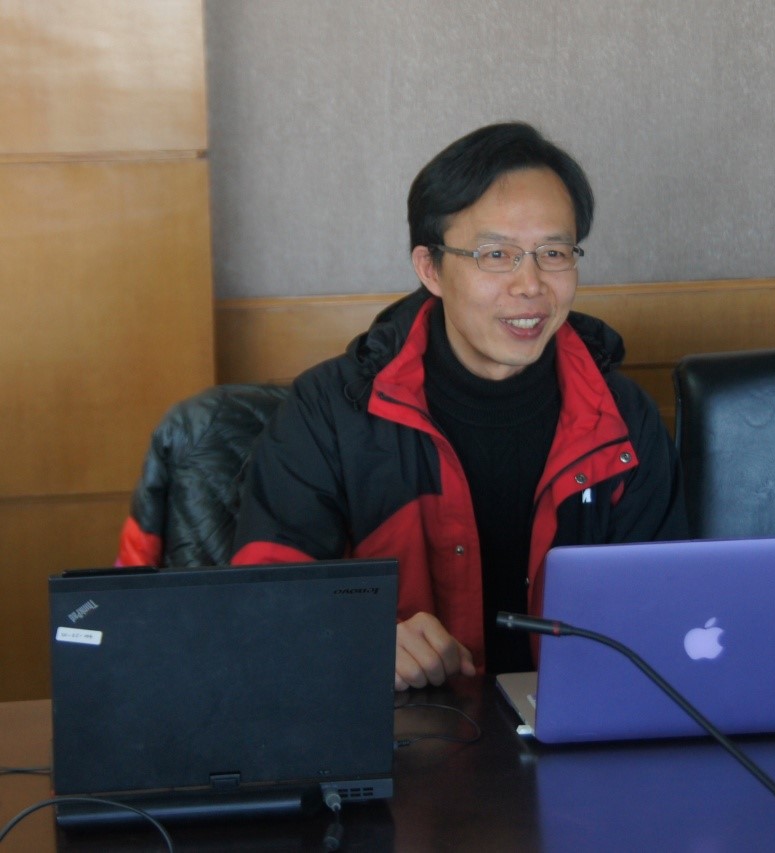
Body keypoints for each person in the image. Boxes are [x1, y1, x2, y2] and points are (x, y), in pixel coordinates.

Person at [231, 121, 689, 690]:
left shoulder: (620, 418)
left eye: (553, 252)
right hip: (404, 724)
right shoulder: (330, 411)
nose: (530, 285)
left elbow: (668, 608)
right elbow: (262, 603)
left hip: (578, 721)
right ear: (431, 269)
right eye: (496, 254)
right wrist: (357, 635)